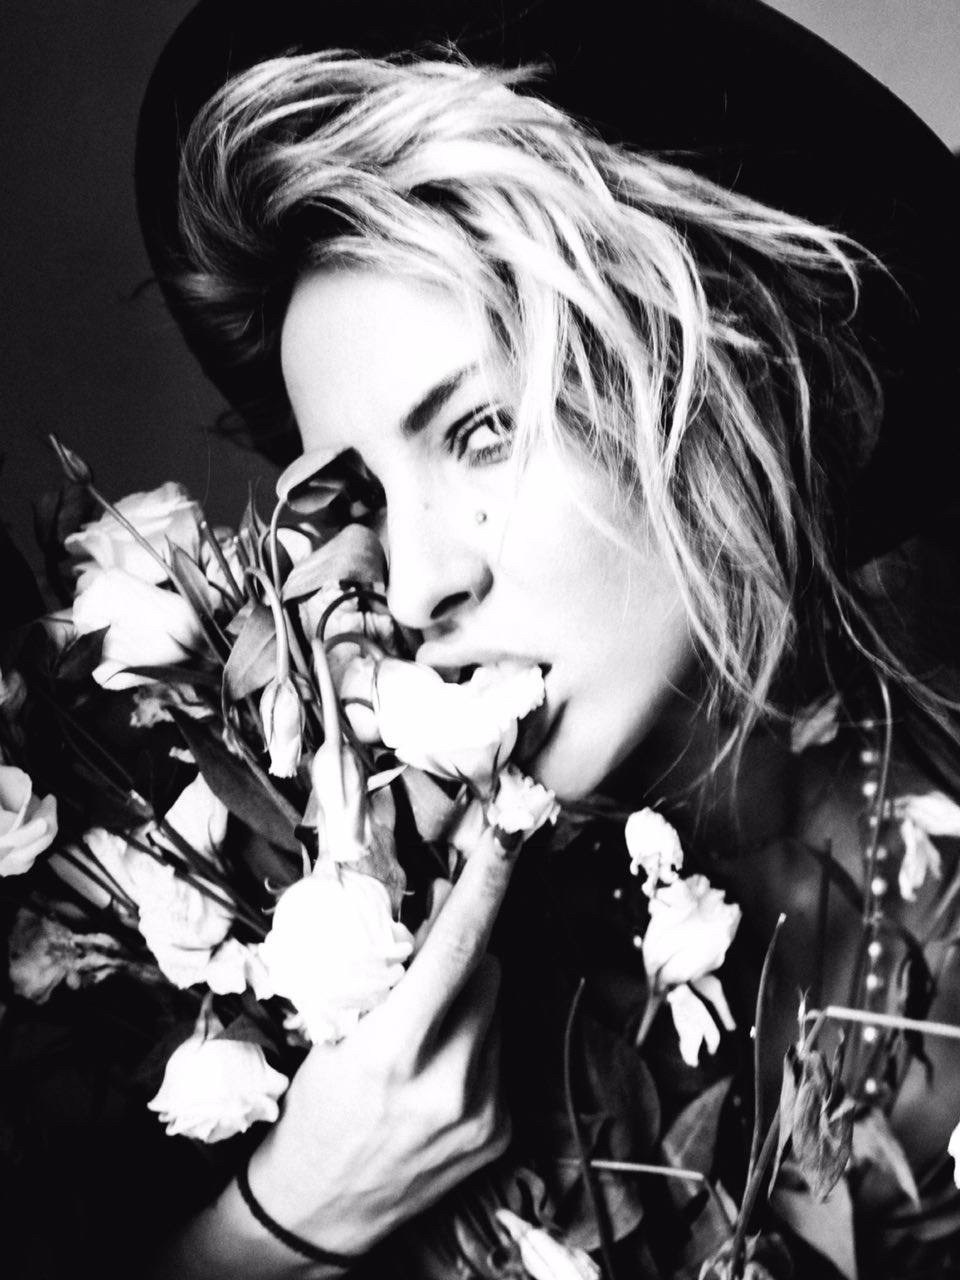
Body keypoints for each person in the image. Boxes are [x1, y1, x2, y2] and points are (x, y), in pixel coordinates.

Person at [131, 1, 960, 1276]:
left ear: (707, 371)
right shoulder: (348, 968)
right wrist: (282, 1220)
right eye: (365, 500)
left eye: (479, 432)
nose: (416, 586)